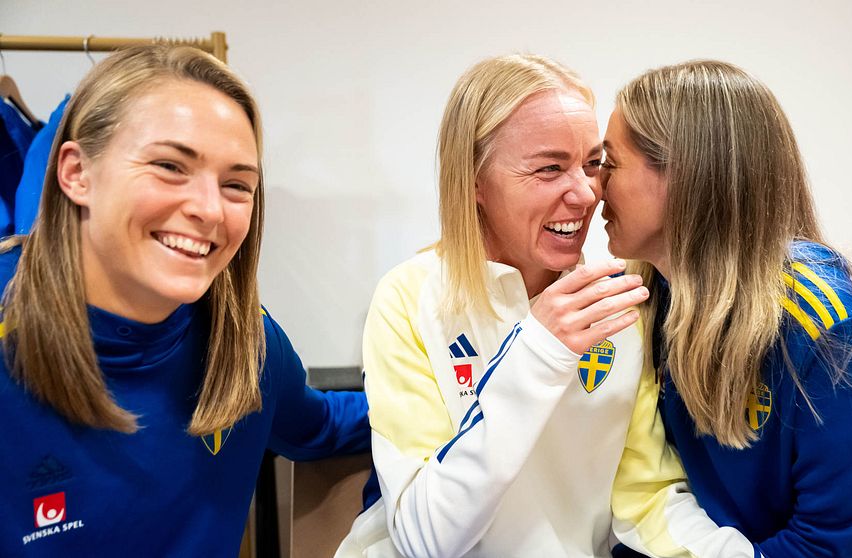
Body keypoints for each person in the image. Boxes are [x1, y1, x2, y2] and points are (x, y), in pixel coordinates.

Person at [338, 54, 756, 558]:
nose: (585, 194)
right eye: (549, 168)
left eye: (593, 164)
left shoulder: (622, 298)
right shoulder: (409, 297)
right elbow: (425, 539)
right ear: (473, 181)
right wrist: (538, 350)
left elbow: (645, 499)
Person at [0, 45, 369, 557]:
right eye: (170, 166)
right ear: (76, 173)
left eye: (237, 184)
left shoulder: (245, 342)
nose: (208, 209)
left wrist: (482, 390)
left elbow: (321, 426)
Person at [600, 59, 852, 557]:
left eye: (609, 163)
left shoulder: (824, 319)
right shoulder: (649, 297)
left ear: (684, 177)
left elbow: (833, 539)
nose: (594, 185)